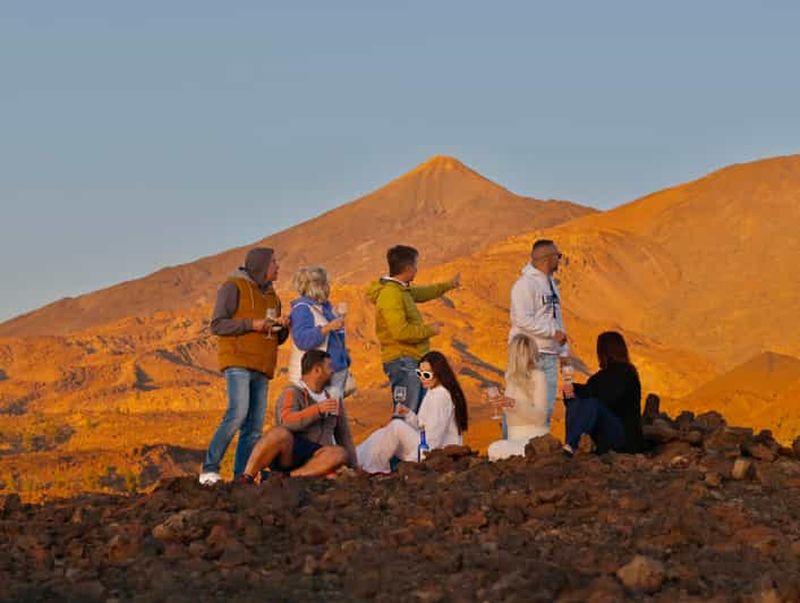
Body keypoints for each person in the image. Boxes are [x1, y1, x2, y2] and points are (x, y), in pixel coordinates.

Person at [199, 247, 290, 486]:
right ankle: (209, 469)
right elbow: (218, 325)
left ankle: (242, 477)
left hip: (262, 366)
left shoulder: (273, 296)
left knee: (254, 427)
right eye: (274, 262)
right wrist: (252, 324)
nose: (278, 266)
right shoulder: (233, 287)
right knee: (237, 414)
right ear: (261, 265)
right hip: (238, 361)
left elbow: (275, 337)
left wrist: (283, 327)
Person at [238, 350, 356, 482]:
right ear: (317, 370)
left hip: (318, 455)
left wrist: (355, 466)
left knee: (339, 453)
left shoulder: (333, 398)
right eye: (329, 367)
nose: (333, 371)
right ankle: (247, 477)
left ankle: (286, 477)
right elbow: (286, 421)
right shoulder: (292, 393)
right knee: (277, 434)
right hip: (291, 452)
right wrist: (317, 410)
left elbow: (344, 435)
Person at [367, 245, 459, 412]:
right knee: (408, 414)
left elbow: (423, 292)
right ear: (409, 268)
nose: (417, 269)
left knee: (416, 414)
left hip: (411, 360)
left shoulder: (401, 290)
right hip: (403, 361)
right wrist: (429, 330)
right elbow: (400, 332)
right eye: (416, 265)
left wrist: (449, 285)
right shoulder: (391, 294)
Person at [357, 351, 468, 474]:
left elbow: (433, 439)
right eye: (419, 373)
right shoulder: (433, 391)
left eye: (426, 375)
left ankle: (372, 469)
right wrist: (408, 414)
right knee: (381, 434)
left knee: (396, 426)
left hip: (433, 452)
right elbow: (424, 426)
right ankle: (356, 461)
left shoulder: (441, 396)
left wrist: (411, 463)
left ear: (439, 374)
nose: (422, 378)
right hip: (425, 444)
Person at [509, 239, 569, 426]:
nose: (560, 260)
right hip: (527, 354)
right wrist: (552, 333)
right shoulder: (525, 285)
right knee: (519, 405)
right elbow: (522, 319)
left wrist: (563, 352)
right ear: (547, 259)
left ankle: (540, 442)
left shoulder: (551, 284)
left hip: (549, 355)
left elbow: (556, 317)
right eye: (558, 256)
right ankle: (513, 443)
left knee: (545, 408)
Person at [562, 331, 644, 455]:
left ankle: (572, 444)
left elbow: (607, 398)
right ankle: (570, 444)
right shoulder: (606, 376)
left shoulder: (625, 374)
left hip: (623, 437)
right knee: (577, 401)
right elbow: (591, 392)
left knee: (591, 404)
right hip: (609, 434)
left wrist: (575, 390)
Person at [288, 266, 351, 399]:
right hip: (317, 378)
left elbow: (336, 339)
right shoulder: (302, 310)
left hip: (333, 374)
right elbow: (302, 340)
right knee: (324, 410)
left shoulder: (324, 308)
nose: (329, 288)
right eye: (326, 284)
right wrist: (327, 328)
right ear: (317, 287)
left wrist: (344, 360)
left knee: (334, 410)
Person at [487, 334, 550, 460]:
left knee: (495, 449)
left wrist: (513, 404)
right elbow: (512, 411)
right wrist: (502, 403)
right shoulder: (511, 378)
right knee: (495, 449)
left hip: (534, 439)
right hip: (514, 438)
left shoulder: (538, 376)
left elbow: (541, 417)